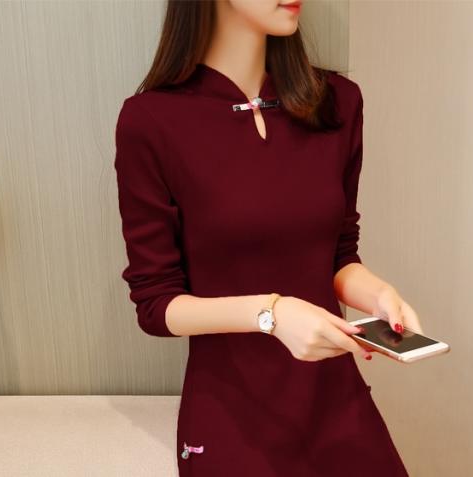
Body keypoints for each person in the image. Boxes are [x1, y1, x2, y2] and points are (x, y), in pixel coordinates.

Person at [114, 1, 422, 475]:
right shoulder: (152, 120)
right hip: (231, 415)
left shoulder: (337, 102)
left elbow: (339, 256)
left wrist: (379, 295)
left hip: (335, 402)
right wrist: (272, 315)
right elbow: (156, 305)